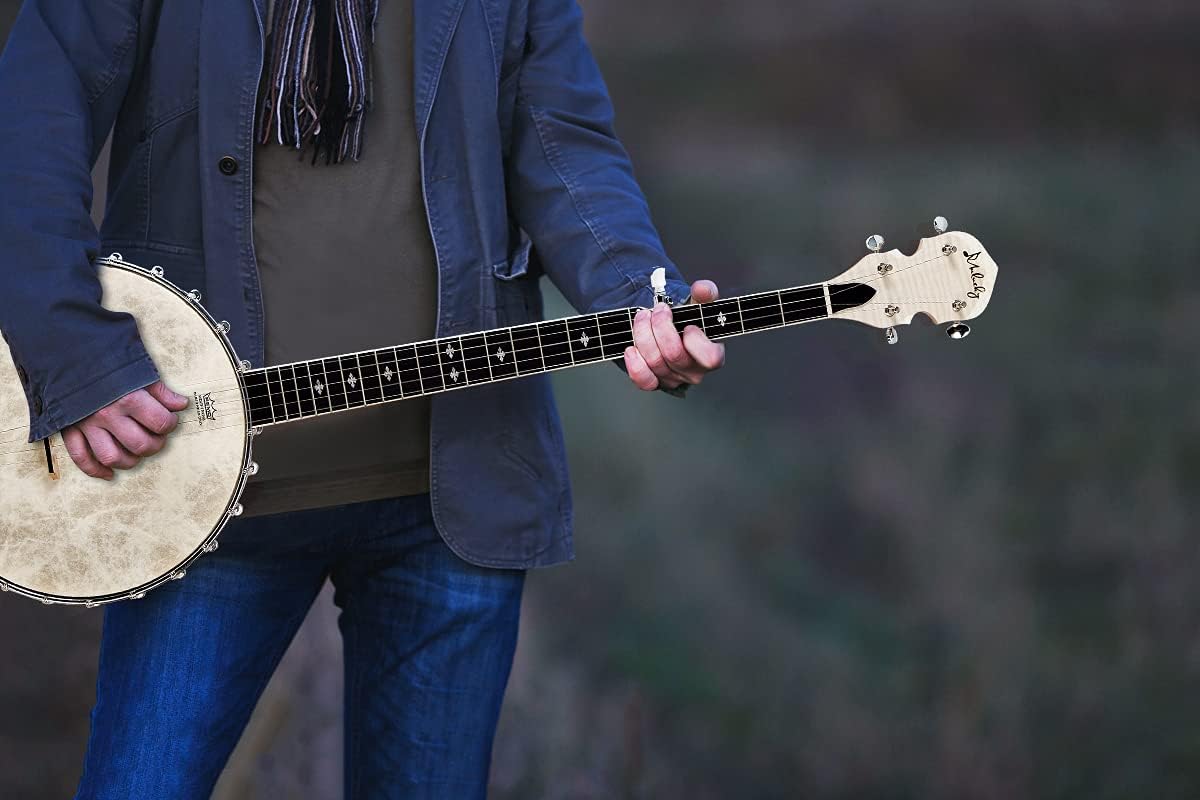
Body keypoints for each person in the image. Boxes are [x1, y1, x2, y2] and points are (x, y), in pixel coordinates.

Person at [0, 0, 725, 796]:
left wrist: (641, 303)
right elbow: (29, 127)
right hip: (197, 483)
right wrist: (74, 355)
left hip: (454, 491)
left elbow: (564, 147)